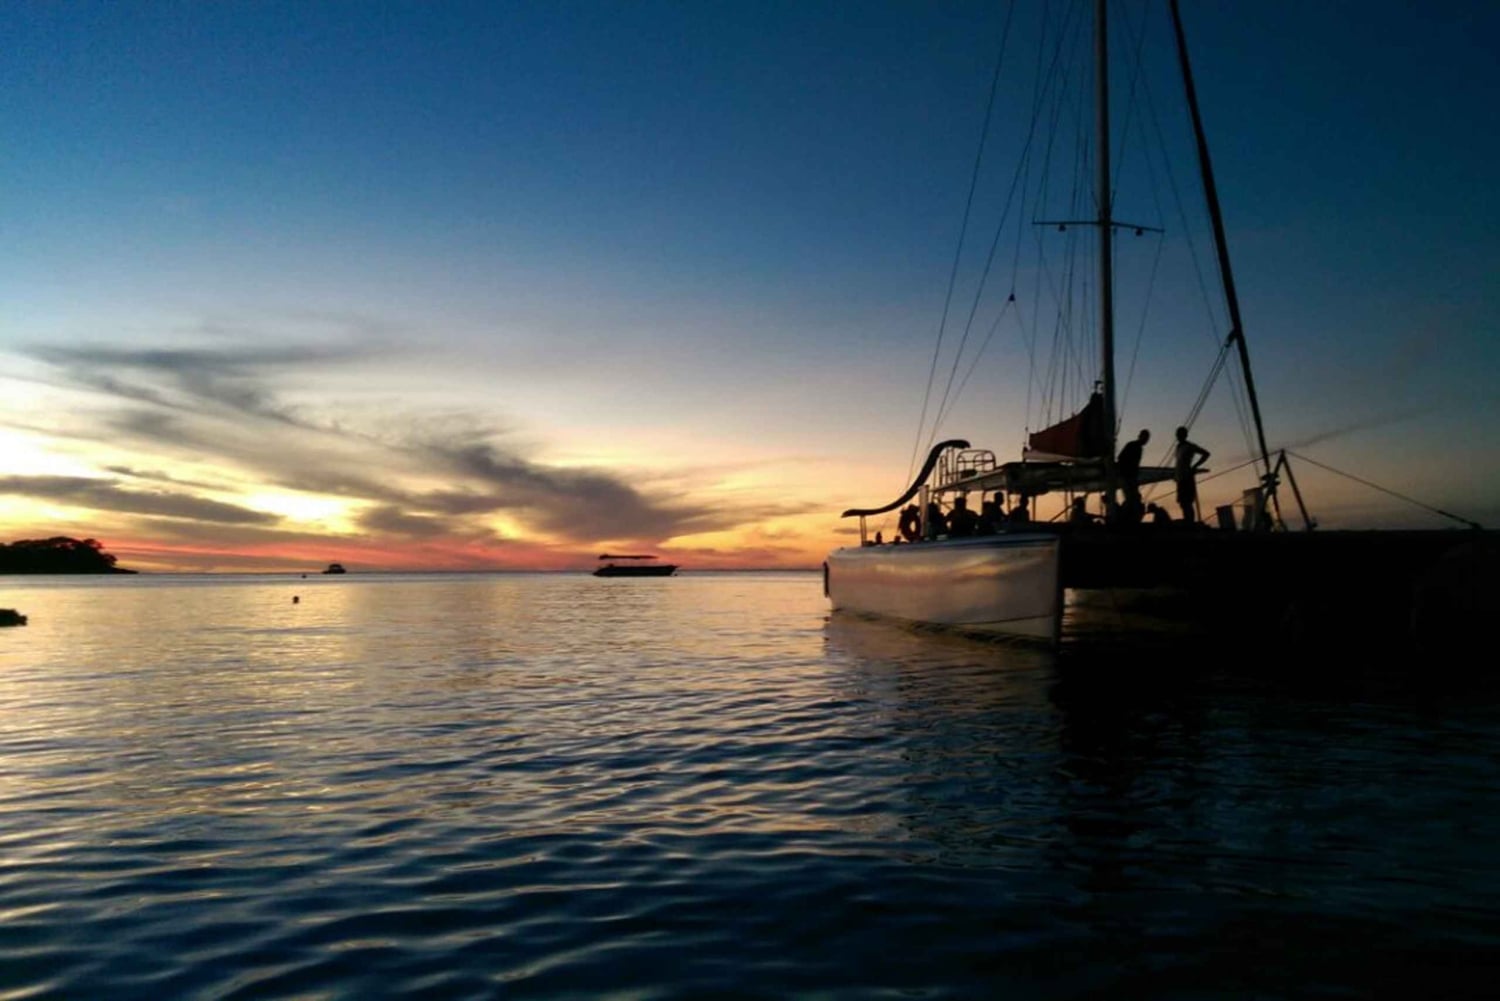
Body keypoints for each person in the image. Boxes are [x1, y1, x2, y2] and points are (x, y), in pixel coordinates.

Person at [1173, 425, 1210, 523]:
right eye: (1177, 434)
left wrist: (1195, 466)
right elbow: (1178, 463)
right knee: (1182, 502)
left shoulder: (1189, 446)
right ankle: (1187, 521)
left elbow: (1206, 454)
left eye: (1180, 434)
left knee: (1187, 502)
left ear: (1185, 435)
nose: (1178, 436)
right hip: (1180, 478)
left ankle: (1190, 522)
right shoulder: (1178, 447)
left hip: (1187, 477)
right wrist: (1176, 475)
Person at [1116, 428, 1150, 510]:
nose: (1146, 440)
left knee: (1134, 498)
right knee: (1131, 498)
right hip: (1126, 476)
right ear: (1140, 437)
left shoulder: (1138, 448)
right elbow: (1121, 458)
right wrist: (1126, 469)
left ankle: (1128, 512)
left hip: (1131, 476)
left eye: (1147, 438)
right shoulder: (1132, 445)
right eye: (1145, 438)